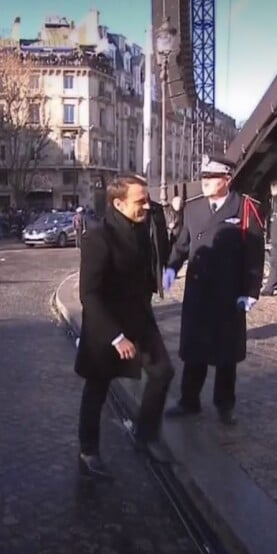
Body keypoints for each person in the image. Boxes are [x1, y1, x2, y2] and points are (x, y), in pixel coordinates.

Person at [75, 174, 175, 479]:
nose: (147, 204)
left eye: (147, 198)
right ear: (118, 204)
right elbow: (88, 294)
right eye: (140, 200)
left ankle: (146, 435)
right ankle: (88, 451)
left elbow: (160, 256)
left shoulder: (143, 225)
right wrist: (115, 337)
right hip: (106, 325)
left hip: (139, 318)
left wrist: (158, 219)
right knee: (97, 388)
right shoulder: (98, 236)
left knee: (163, 372)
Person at [164, 154, 265, 425]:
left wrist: (251, 290)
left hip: (228, 292)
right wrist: (172, 266)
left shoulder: (244, 208)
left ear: (226, 180)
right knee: (194, 349)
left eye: (211, 177)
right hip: (198, 291)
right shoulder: (193, 208)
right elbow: (182, 244)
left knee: (225, 354)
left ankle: (224, 404)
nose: (205, 182)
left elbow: (255, 254)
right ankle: (189, 400)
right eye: (204, 177)